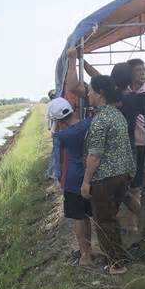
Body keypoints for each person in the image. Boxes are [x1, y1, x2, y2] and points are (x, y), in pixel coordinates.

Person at [81, 75, 136, 274]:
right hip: (121, 175)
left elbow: (94, 156)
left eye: (90, 91)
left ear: (100, 93)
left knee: (104, 222)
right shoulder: (117, 115)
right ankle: (119, 257)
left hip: (104, 180)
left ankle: (116, 264)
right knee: (111, 220)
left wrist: (86, 182)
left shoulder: (100, 120)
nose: (88, 94)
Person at [49, 97, 93, 266]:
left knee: (78, 218)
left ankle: (84, 255)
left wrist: (60, 180)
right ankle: (89, 250)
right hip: (91, 176)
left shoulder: (62, 135)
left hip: (73, 180)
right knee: (87, 216)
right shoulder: (89, 124)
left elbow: (58, 162)